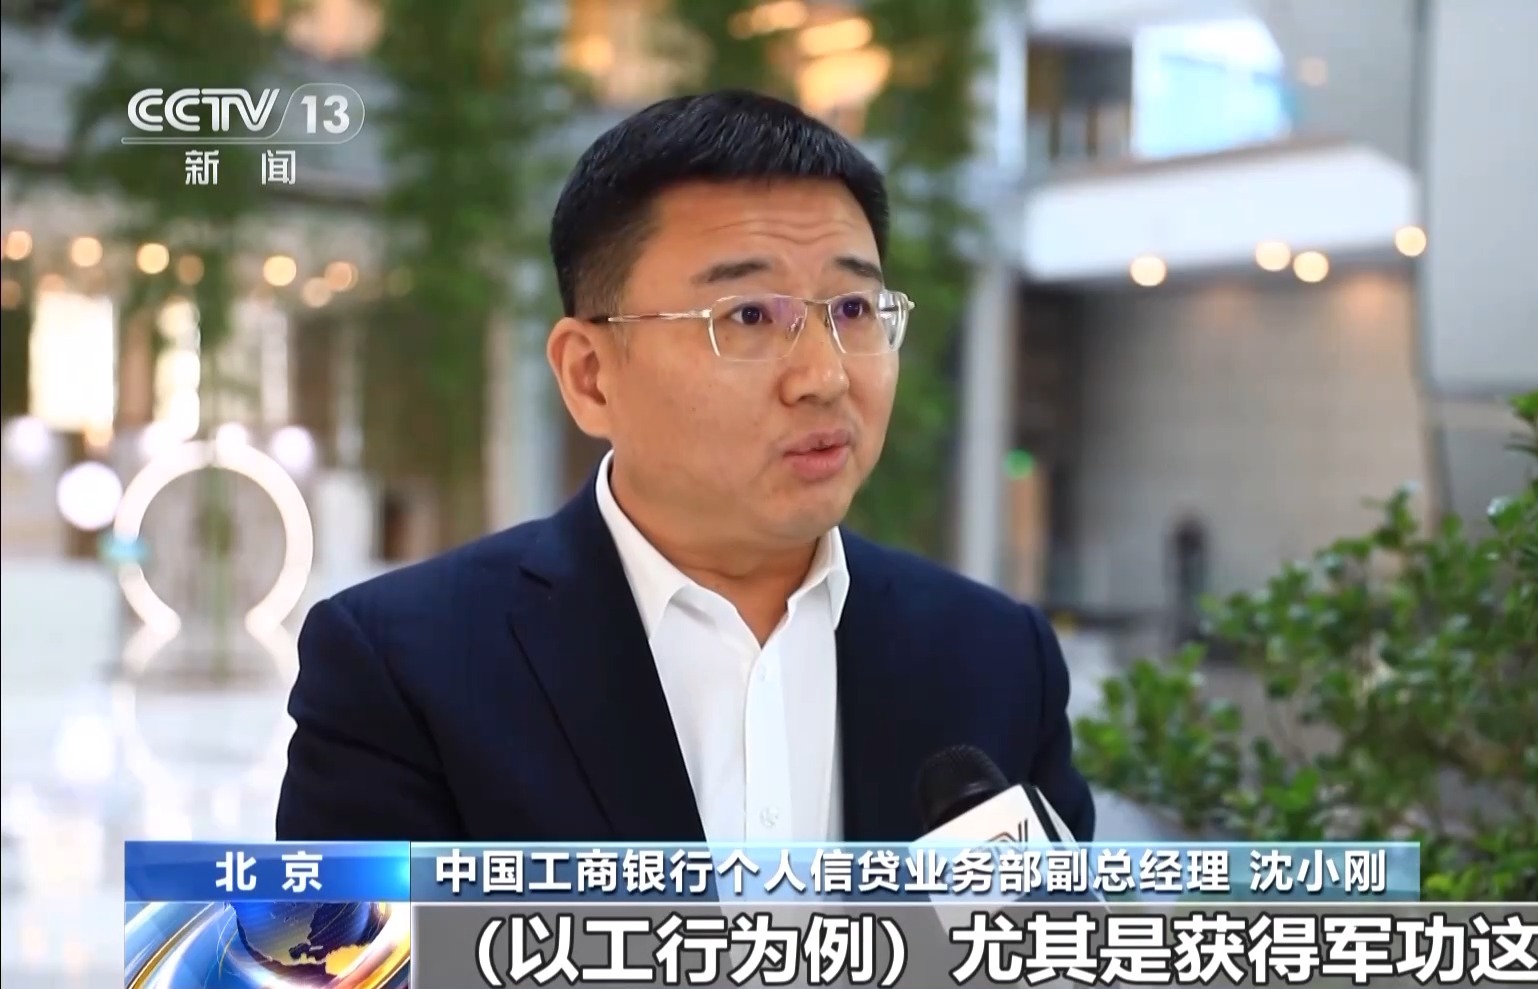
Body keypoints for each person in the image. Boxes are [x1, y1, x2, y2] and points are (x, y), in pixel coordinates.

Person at [275, 91, 1095, 844]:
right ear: (591, 376)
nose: (825, 375)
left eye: (853, 309)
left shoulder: (995, 657)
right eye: (749, 315)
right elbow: (339, 943)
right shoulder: (405, 668)